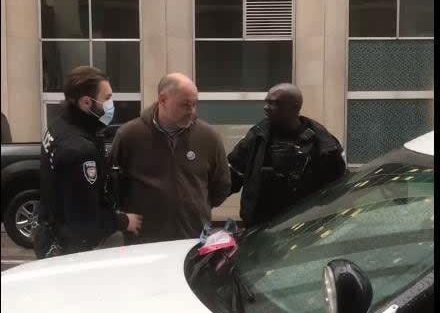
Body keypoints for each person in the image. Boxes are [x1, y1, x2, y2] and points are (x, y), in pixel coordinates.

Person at [34, 66, 142, 258]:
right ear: (86, 102)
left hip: (52, 230)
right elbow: (86, 222)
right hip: (73, 249)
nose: (112, 103)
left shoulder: (58, 125)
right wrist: (124, 221)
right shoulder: (80, 151)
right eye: (107, 98)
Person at [110, 73, 231, 243]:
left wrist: (196, 206)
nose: (191, 111)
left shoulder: (208, 137)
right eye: (185, 105)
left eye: (194, 104)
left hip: (193, 236)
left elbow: (221, 185)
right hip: (144, 240)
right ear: (163, 100)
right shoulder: (130, 135)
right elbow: (114, 185)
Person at [228, 83, 346, 227]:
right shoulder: (257, 136)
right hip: (259, 227)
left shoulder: (322, 143)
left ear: (294, 107)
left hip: (304, 227)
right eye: (266, 102)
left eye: (274, 103)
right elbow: (232, 176)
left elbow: (337, 187)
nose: (266, 107)